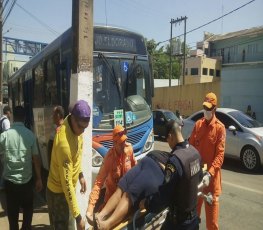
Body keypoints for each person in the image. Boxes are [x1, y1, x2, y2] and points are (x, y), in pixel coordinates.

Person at [94, 120, 202, 230]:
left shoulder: (175, 160)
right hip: (149, 161)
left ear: (170, 136)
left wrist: (147, 203)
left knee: (128, 193)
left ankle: (105, 223)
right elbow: (198, 177)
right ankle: (102, 217)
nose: (168, 143)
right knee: (122, 187)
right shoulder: (194, 152)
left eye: (167, 140)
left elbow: (163, 195)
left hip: (155, 166)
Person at [46, 100, 91, 230]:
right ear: (73, 119)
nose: (82, 132)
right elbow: (66, 184)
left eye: (85, 127)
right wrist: (78, 217)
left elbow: (76, 156)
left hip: (66, 192)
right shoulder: (63, 143)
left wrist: (80, 174)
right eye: (80, 127)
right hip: (57, 194)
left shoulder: (76, 128)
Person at [0, 105, 43, 230]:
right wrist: (39, 178)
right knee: (28, 213)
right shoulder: (30, 135)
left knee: (13, 218)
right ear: (24, 118)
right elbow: (36, 158)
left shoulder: (4, 136)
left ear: (13, 117)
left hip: (10, 183)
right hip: (26, 182)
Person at [189, 92, 226, 230]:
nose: (206, 111)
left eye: (209, 108)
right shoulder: (198, 125)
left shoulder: (220, 128)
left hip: (211, 181)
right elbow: (190, 150)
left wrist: (209, 174)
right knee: (193, 218)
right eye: (204, 107)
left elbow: (220, 156)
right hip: (198, 179)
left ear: (214, 109)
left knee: (212, 224)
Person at [86, 125, 136, 225]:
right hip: (111, 202)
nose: (124, 144)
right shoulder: (109, 158)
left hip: (127, 198)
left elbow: (136, 169)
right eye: (121, 143)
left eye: (125, 141)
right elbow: (98, 183)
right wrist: (90, 209)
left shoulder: (129, 149)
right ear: (114, 143)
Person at [0, 105, 12, 189]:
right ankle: (2, 185)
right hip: (3, 148)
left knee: (3, 167)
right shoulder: (6, 121)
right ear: (8, 112)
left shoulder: (1, 119)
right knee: (5, 168)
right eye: (10, 113)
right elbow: (8, 135)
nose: (11, 114)